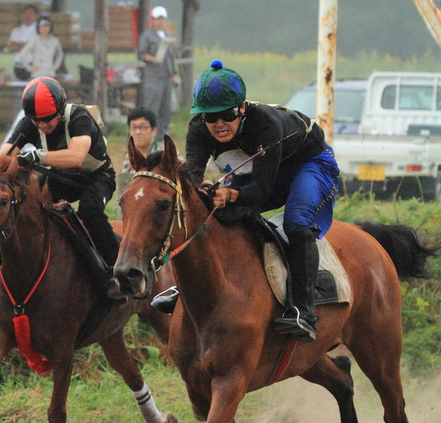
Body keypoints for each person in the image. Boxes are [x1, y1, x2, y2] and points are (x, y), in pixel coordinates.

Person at [185, 60, 340, 342]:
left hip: (308, 164)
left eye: (226, 114)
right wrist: (202, 189)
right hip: (262, 170)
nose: (218, 124)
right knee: (211, 211)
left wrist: (230, 194)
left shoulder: (264, 125)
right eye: (210, 117)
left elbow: (261, 191)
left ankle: (304, 313)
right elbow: (192, 178)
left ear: (241, 109)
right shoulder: (198, 129)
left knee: (296, 219)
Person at [0, 76, 122, 300]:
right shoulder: (29, 123)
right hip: (60, 178)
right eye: (37, 121)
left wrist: (38, 155)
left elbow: (75, 158)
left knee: (90, 210)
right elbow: (3, 156)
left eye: (48, 119)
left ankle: (114, 270)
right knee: (31, 208)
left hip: (96, 178)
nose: (43, 125)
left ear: (60, 110)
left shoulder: (79, 118)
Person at [137, 6, 179, 144]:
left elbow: (171, 58)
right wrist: (152, 59)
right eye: (158, 18)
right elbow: (141, 54)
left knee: (165, 109)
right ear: (153, 20)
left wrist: (174, 74)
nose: (160, 21)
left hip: (166, 78)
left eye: (162, 18)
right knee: (152, 108)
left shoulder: (167, 36)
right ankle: (149, 137)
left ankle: (161, 138)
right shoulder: (147, 36)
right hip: (153, 77)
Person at [117, 107, 159, 204]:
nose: (138, 132)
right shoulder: (129, 158)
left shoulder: (166, 154)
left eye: (143, 127)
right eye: (134, 127)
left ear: (153, 130)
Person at [9, 4, 39, 80]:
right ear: (22, 15)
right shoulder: (16, 31)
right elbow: (13, 47)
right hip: (18, 66)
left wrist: (19, 45)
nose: (28, 16)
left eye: (31, 14)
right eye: (26, 14)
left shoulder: (39, 32)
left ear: (36, 16)